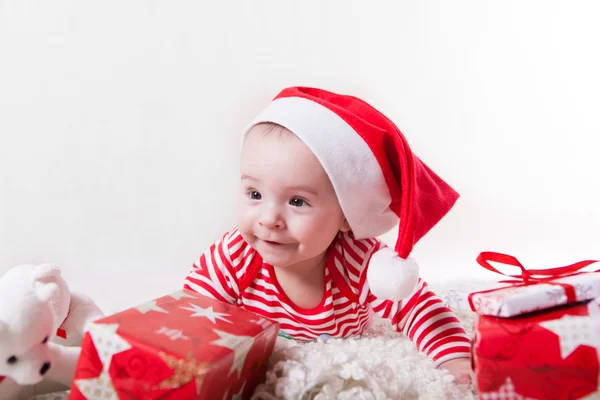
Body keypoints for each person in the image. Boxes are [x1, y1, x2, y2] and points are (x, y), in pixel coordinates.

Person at [183, 86, 472, 384]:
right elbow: (190, 311)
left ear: (345, 216)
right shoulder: (235, 255)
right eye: (254, 193)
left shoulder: (359, 263)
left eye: (297, 201)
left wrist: (455, 359)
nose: (269, 219)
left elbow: (419, 307)